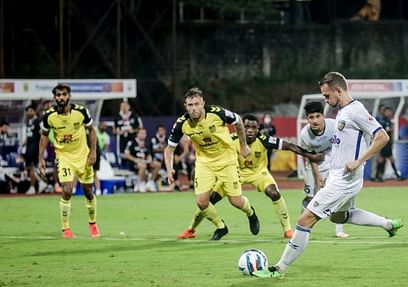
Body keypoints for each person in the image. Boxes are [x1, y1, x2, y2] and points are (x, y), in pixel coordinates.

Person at [253, 72, 403, 278]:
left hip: (344, 180)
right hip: (339, 177)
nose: (325, 100)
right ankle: (387, 224)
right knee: (339, 217)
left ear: (338, 90)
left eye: (326, 96)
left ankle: (278, 269)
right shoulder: (342, 112)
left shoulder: (355, 110)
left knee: (305, 220)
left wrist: (360, 160)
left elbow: (382, 136)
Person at [177, 114, 323, 240]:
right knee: (209, 201)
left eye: (253, 127)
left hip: (259, 174)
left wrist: (309, 155)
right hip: (234, 173)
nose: (250, 131)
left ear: (258, 129)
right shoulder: (229, 139)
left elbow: (290, 146)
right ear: (240, 128)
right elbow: (211, 153)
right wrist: (199, 168)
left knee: (274, 193)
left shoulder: (264, 139)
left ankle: (287, 230)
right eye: (246, 127)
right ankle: (191, 229)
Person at [164, 87, 259, 241]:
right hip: (204, 163)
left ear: (203, 104)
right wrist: (169, 169)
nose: (193, 109)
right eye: (190, 105)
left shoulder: (217, 113)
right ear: (185, 106)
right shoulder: (182, 123)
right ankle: (221, 227)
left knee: (236, 201)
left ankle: (251, 213)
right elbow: (169, 149)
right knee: (201, 202)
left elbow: (239, 121)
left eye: (196, 104)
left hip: (227, 160)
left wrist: (243, 145)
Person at [38, 83, 99, 239]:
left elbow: (92, 130)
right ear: (54, 98)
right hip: (64, 156)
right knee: (66, 190)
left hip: (83, 156)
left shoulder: (81, 111)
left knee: (88, 191)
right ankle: (66, 229)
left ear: (69, 96)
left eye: (64, 94)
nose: (61, 98)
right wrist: (41, 158)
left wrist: (93, 152)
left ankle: (92, 223)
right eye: (58, 95)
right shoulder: (49, 115)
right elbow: (44, 135)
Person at [299, 101, 349, 238]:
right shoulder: (305, 135)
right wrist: (318, 176)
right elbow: (311, 157)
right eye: (311, 117)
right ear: (307, 118)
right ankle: (301, 226)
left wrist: (334, 170)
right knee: (310, 198)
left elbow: (343, 146)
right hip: (314, 165)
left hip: (333, 162)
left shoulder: (334, 125)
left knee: (336, 194)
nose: (315, 121)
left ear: (323, 116)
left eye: (317, 116)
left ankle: (339, 229)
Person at [123, 127, 161, 192]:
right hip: (134, 163)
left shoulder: (147, 143)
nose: (143, 135)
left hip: (145, 162)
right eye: (141, 133)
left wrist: (149, 159)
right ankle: (142, 183)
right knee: (142, 166)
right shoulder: (132, 142)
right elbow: (126, 154)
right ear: (137, 134)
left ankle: (150, 182)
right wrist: (135, 160)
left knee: (157, 164)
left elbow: (149, 154)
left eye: (144, 133)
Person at [374, 106, 403, 181]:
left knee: (386, 158)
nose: (389, 113)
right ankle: (378, 176)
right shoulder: (382, 121)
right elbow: (384, 131)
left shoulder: (388, 120)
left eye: (389, 112)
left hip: (388, 142)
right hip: (384, 142)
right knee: (385, 158)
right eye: (387, 111)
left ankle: (378, 176)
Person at [24, 104, 48, 195]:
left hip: (35, 146)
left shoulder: (38, 121)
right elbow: (28, 134)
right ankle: (33, 186)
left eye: (30, 111)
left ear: (34, 111)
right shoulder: (28, 122)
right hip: (29, 146)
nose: (28, 113)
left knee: (33, 166)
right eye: (27, 111)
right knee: (30, 167)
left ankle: (41, 183)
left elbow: (42, 133)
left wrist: (42, 147)